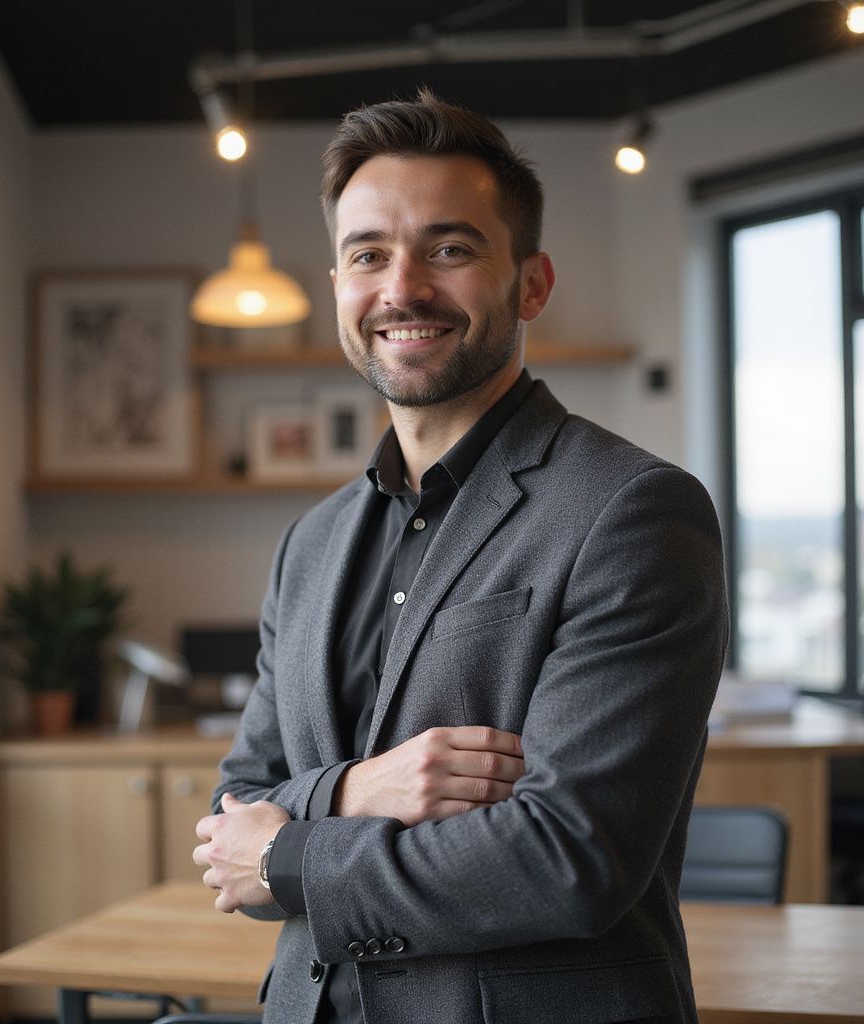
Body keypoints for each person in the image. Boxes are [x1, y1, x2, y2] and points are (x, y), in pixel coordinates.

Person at [193, 88, 728, 1024]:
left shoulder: (635, 511)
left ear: (530, 283)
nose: (402, 288)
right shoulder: (310, 542)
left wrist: (289, 853)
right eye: (368, 254)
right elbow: (235, 804)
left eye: (449, 248)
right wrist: (360, 788)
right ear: (338, 289)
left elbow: (567, 858)